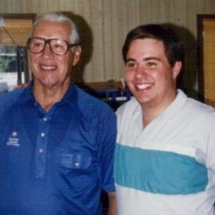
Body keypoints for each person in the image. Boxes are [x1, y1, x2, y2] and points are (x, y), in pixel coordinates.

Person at [0, 12, 117, 215]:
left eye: (58, 46)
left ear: (76, 55)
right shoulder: (3, 109)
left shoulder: (100, 117)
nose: (46, 55)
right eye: (37, 44)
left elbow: (116, 195)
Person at [114, 24, 215, 215]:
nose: (139, 74)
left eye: (151, 63)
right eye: (132, 64)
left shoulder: (207, 123)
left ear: (175, 68)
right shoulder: (122, 116)